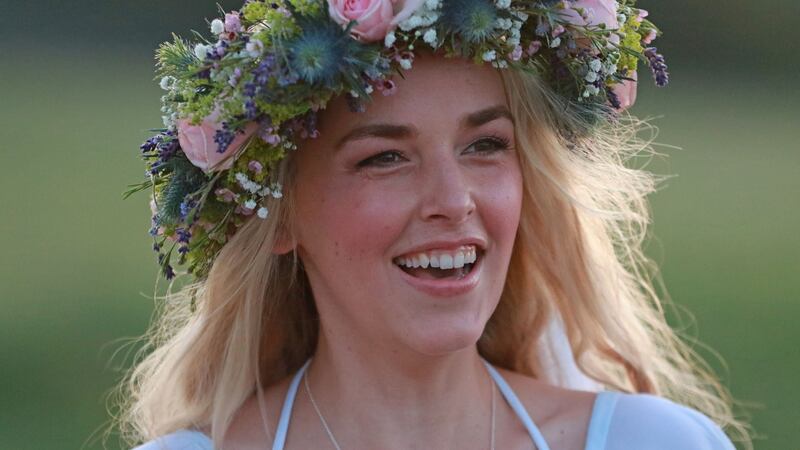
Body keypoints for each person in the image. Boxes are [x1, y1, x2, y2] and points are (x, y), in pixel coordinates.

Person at [120, 1, 751, 449]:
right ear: (278, 214)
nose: (453, 201)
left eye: (484, 146)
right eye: (385, 158)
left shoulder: (652, 443)